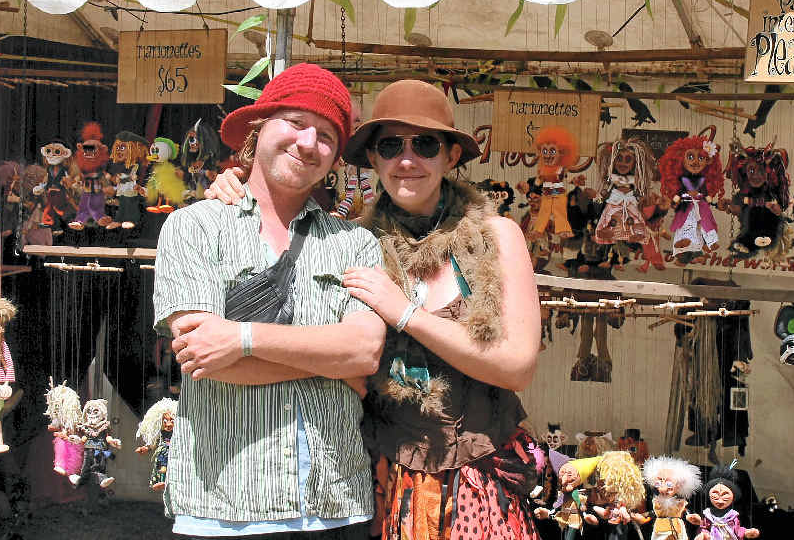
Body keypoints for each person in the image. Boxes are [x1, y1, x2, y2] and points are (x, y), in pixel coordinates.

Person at [208, 79, 542, 540]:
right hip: (382, 482)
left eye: (425, 144)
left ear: (451, 156)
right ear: (373, 159)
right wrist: (237, 194)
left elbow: (517, 366)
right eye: (390, 146)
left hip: (482, 484)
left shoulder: (498, 237)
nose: (407, 160)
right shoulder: (349, 243)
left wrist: (404, 314)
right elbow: (328, 351)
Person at [153, 63, 386, 538]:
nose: (308, 143)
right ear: (257, 129)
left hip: (336, 501)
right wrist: (333, 360)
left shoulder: (355, 244)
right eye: (296, 123)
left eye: (326, 136)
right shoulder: (195, 227)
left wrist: (241, 337)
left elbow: (365, 352)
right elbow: (203, 357)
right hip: (224, 503)